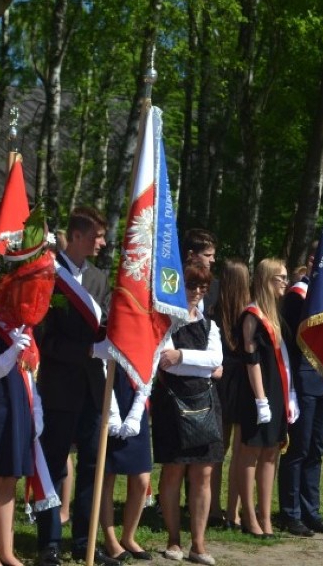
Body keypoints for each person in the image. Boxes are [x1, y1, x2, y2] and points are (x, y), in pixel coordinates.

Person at [0, 208, 55, 566]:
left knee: (9, 481)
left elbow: (27, 374)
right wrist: (13, 351)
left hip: (16, 405)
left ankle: (7, 550)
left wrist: (36, 410)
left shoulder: (20, 326)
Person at [33, 207, 118, 566]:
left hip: (93, 388)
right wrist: (86, 349)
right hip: (59, 386)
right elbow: (44, 340)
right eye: (98, 236)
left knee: (91, 467)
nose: (102, 242)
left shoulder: (100, 278)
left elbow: (110, 322)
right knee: (53, 466)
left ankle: (85, 542)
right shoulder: (49, 277)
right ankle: (49, 541)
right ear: (79, 236)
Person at [151, 262, 224, 565]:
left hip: (205, 402)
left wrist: (183, 356)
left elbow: (218, 360)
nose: (195, 293)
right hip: (171, 402)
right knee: (173, 471)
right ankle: (173, 539)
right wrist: (196, 361)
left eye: (201, 287)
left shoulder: (210, 324)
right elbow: (165, 360)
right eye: (191, 286)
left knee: (203, 473)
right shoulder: (165, 320)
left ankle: (199, 543)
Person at [277, 248, 323, 537]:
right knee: (299, 449)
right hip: (303, 381)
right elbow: (295, 343)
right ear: (311, 263)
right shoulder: (297, 296)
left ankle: (311, 511)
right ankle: (290, 513)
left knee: (316, 449)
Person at [235, 258, 298, 538]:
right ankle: (248, 515)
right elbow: (251, 359)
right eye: (280, 278)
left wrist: (289, 396)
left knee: (272, 452)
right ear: (265, 279)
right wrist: (261, 400)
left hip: (277, 392)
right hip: (256, 394)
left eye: (286, 277)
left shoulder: (276, 315)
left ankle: (264, 514)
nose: (285, 282)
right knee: (251, 452)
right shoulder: (252, 315)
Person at [94, 363, 153, 562]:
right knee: (107, 475)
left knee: (141, 478)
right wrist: (112, 412)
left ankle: (128, 537)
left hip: (136, 396)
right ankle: (110, 540)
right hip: (108, 393)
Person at [210, 258, 251, 530]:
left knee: (218, 450)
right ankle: (232, 512)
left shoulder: (214, 312)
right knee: (239, 450)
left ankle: (214, 509)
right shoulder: (248, 315)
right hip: (242, 382)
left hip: (222, 382)